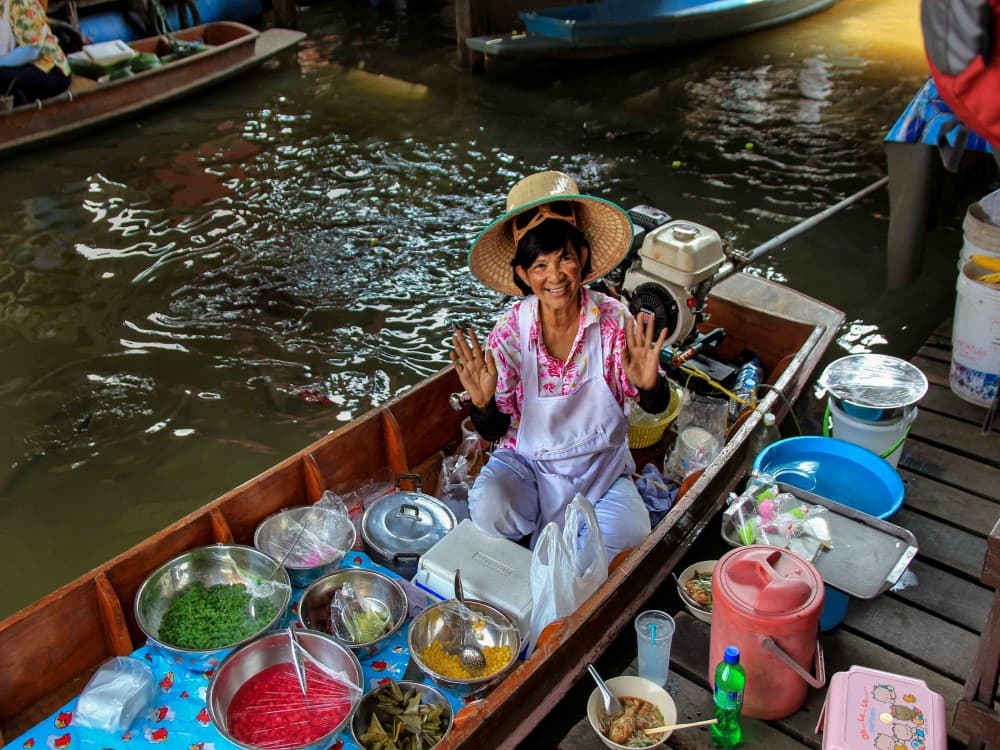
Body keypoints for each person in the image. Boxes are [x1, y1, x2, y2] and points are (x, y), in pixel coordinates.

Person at [451, 170, 672, 563]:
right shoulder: (510, 331)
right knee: (488, 505)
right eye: (539, 266)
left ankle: (557, 541)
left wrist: (651, 385)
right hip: (529, 466)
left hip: (600, 469)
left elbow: (656, 406)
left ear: (583, 258)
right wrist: (482, 405)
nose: (554, 276)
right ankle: (542, 528)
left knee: (632, 532)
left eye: (564, 258)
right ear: (523, 274)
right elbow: (495, 429)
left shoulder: (613, 319)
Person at [0, 0, 71, 108]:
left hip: (51, 69)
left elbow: (32, 51)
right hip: (22, 67)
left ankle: (21, 116)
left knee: (3, 77)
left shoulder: (20, 3)